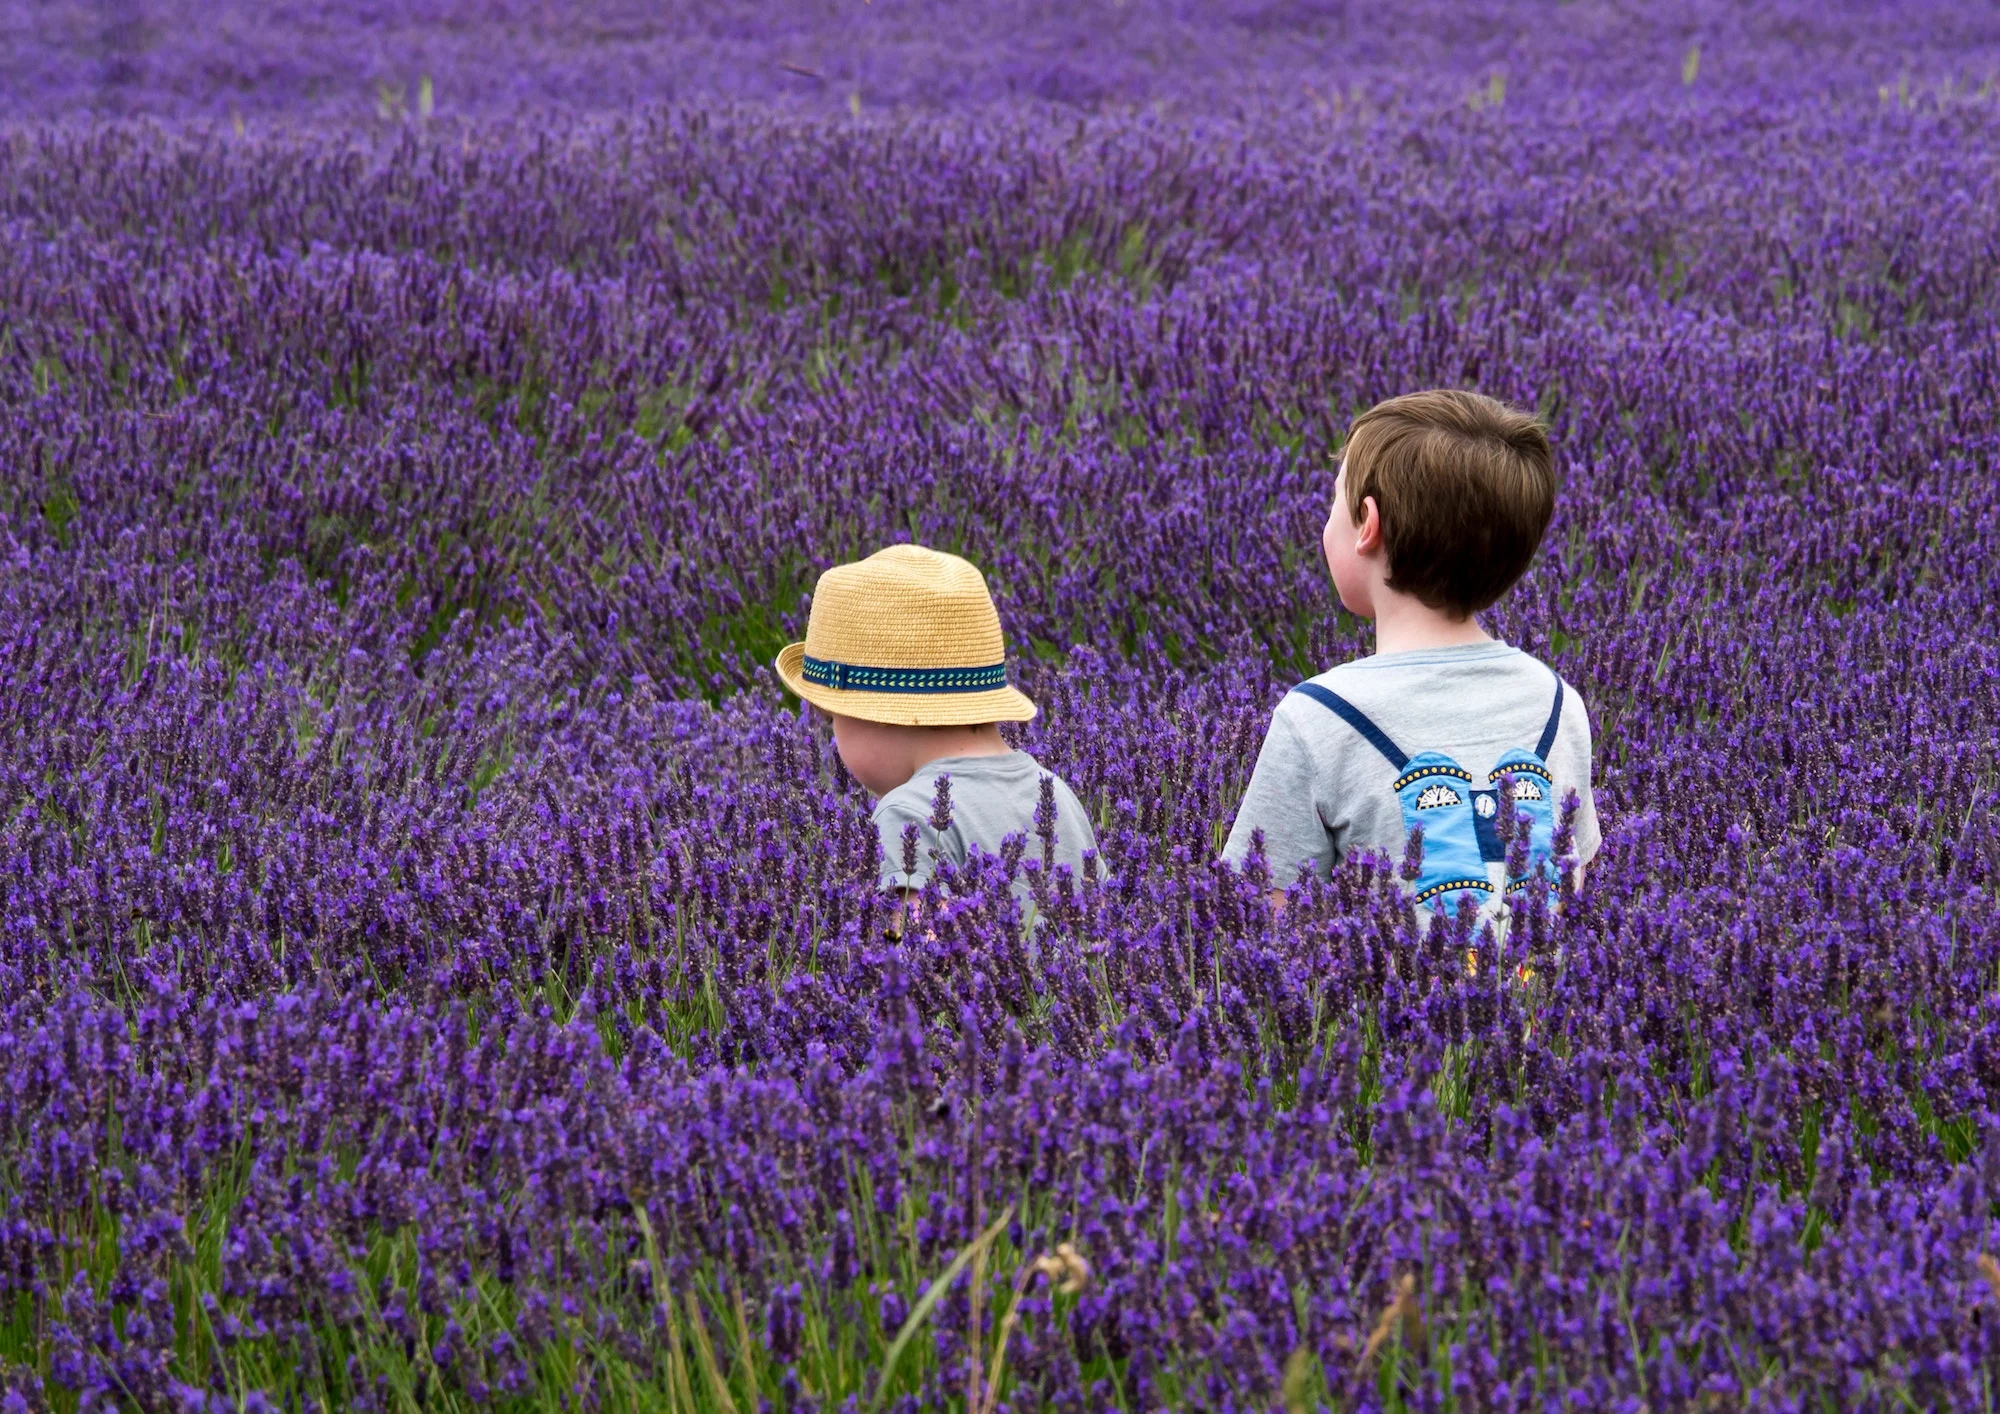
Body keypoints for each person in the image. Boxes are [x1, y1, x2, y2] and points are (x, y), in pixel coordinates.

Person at [1222, 389, 1599, 917]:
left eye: (1335, 500)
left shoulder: (1315, 717)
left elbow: (1265, 920)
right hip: (1540, 1001)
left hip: (1388, 998)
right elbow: (1570, 893)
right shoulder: (1560, 703)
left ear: (1366, 525)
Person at [775, 543, 1097, 918]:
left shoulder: (908, 815)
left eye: (831, 719)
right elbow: (1104, 936)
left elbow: (917, 953)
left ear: (876, 715)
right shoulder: (1056, 794)